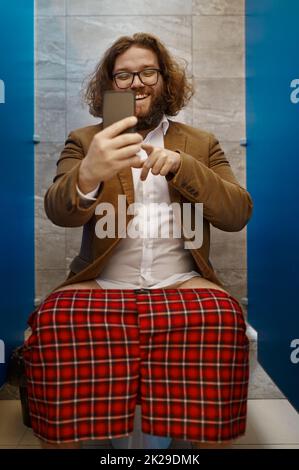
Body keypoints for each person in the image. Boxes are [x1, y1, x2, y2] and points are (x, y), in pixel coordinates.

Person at [23, 32, 253, 449]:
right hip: (103, 282)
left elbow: (237, 214)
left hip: (180, 282)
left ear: (165, 79)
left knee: (226, 319)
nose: (136, 83)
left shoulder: (200, 143)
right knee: (52, 322)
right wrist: (89, 172)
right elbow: (58, 210)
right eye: (123, 75)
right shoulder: (86, 140)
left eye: (148, 71)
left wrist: (185, 167)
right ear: (110, 86)